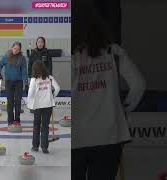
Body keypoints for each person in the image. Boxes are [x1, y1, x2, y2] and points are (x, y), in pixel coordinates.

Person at [72, 13, 145, 180]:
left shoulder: (73, 57)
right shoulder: (114, 52)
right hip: (110, 136)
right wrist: (125, 108)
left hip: (76, 137)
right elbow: (139, 85)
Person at [27, 61, 60, 154]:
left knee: (36, 125)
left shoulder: (34, 80)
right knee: (45, 126)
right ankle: (44, 147)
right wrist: (53, 96)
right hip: (48, 105)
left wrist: (29, 102)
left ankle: (35, 146)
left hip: (37, 106)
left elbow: (30, 93)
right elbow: (57, 88)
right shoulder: (50, 77)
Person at [0, 41, 27, 126]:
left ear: (20, 50)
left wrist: (26, 83)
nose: (16, 51)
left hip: (19, 83)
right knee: (10, 102)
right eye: (14, 48)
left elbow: (24, 71)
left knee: (17, 101)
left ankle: (17, 119)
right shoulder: (6, 56)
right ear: (12, 48)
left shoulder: (22, 58)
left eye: (18, 49)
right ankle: (10, 120)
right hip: (9, 82)